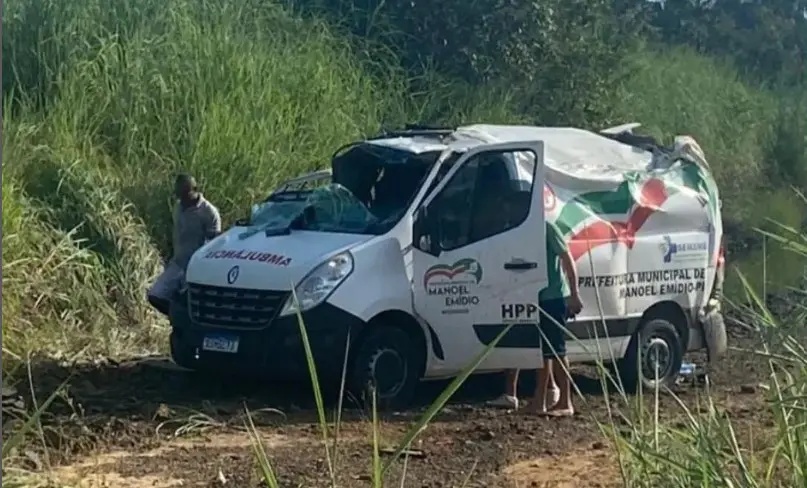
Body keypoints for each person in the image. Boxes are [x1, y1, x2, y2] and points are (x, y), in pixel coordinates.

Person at [525, 220, 583, 416]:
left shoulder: (548, 228)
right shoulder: (527, 228)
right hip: (538, 296)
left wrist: (574, 294)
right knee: (544, 352)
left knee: (557, 350)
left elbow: (567, 259)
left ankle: (566, 402)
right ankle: (539, 400)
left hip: (554, 296)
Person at [147, 174, 221, 315]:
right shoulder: (178, 207)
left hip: (195, 267)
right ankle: (177, 316)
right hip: (177, 263)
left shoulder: (209, 212)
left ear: (195, 190)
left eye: (186, 194)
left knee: (189, 303)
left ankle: (184, 321)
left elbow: (214, 243)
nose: (183, 199)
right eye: (179, 195)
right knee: (156, 295)